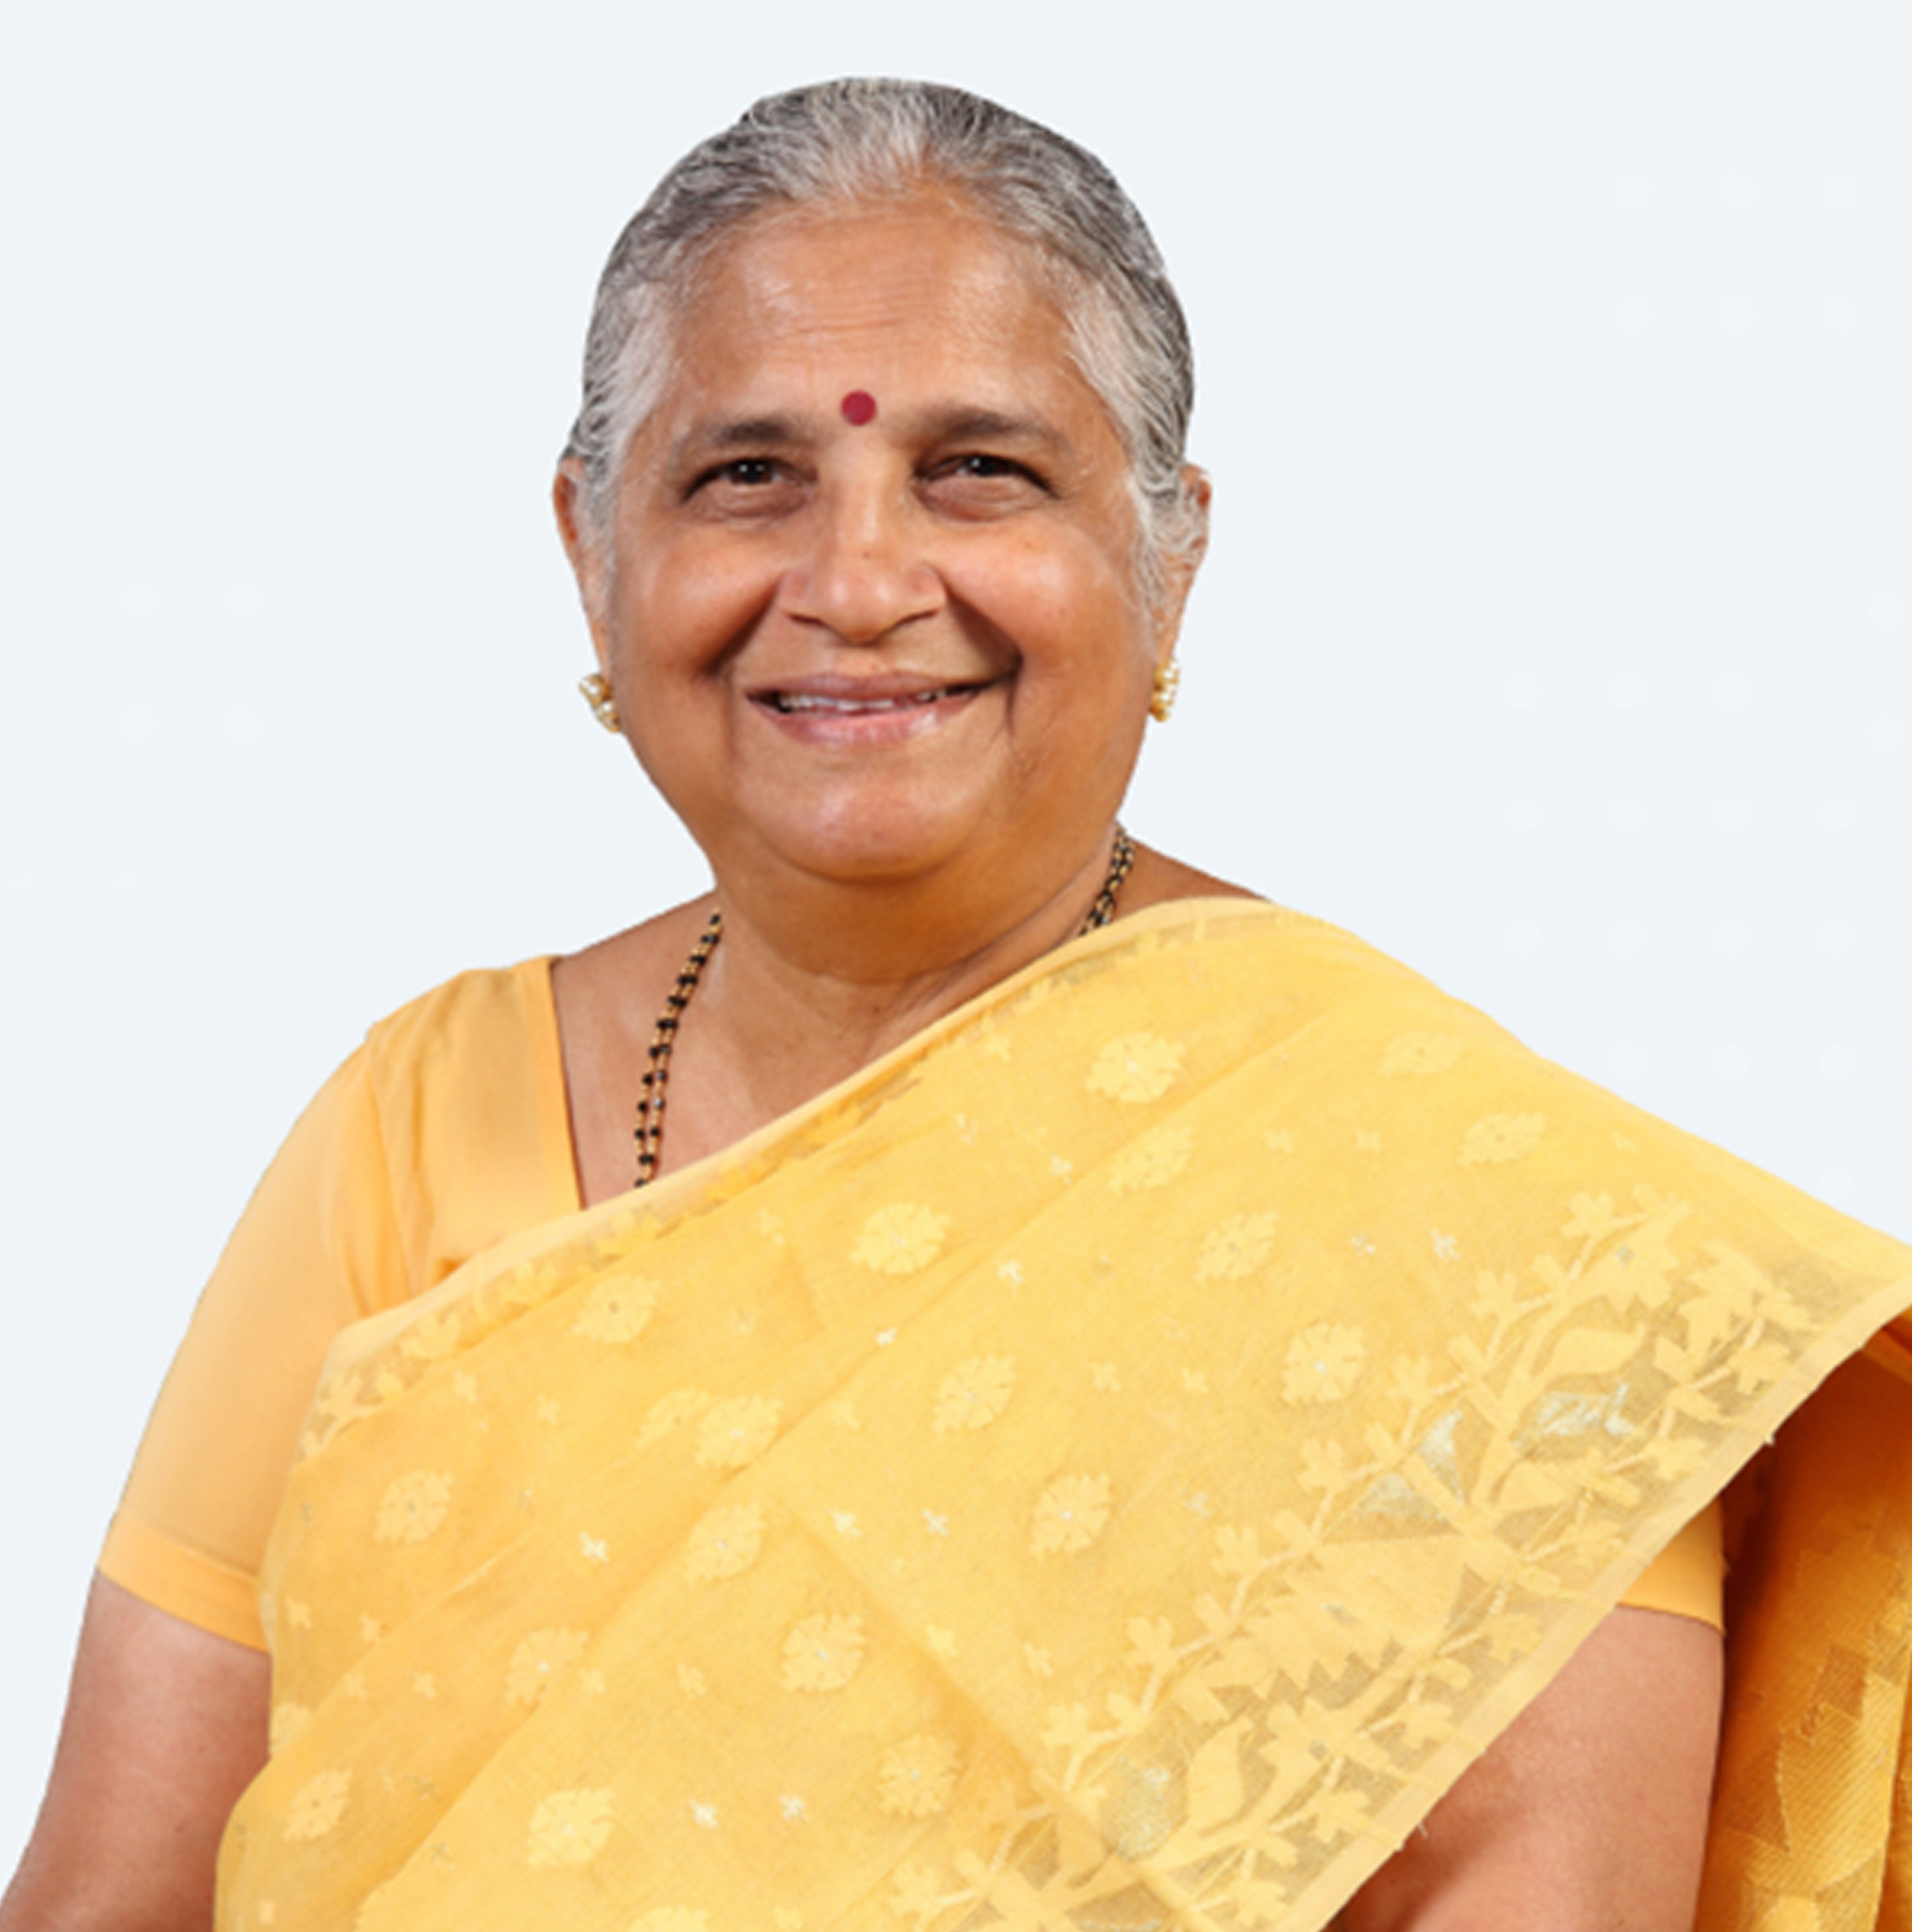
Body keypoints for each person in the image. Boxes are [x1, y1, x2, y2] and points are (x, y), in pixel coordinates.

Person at [4, 77, 1909, 1932]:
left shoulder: (1475, 1222)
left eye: (977, 470)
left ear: (1167, 560)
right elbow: (112, 1897)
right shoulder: (421, 1115)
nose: (854, 581)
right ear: (591, 553)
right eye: (747, 475)